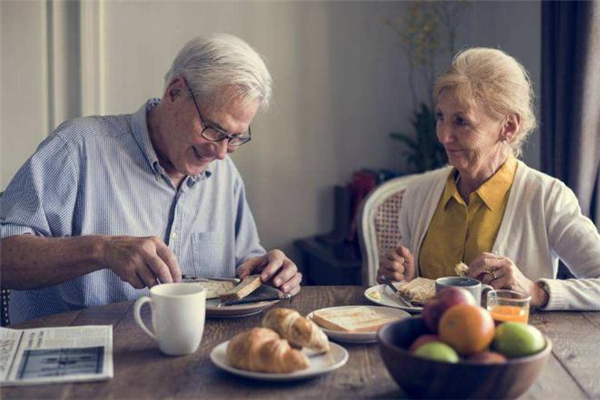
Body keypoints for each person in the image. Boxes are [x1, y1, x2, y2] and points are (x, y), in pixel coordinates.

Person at [0, 33, 302, 323]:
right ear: (174, 92)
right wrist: (101, 250)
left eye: (235, 138)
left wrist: (267, 270)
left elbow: (243, 264)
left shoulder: (225, 175)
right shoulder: (77, 147)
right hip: (70, 362)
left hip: (187, 361)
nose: (221, 152)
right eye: (214, 129)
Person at [377, 47, 600, 310]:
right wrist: (405, 278)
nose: (444, 136)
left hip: (507, 348)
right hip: (426, 347)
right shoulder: (419, 194)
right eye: (441, 117)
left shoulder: (548, 198)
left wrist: (535, 290)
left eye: (462, 121)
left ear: (509, 126)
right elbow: (415, 298)